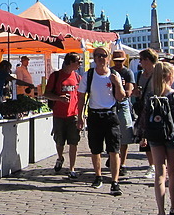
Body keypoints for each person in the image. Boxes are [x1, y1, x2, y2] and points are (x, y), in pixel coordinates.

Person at [136, 62, 174, 215]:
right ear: (170, 76)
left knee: (160, 174)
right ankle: (173, 207)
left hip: (155, 137)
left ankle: (160, 212)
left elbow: (144, 119)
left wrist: (142, 136)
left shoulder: (151, 96)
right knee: (173, 173)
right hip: (172, 137)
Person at [77, 46, 127, 195]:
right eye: (97, 55)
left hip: (110, 115)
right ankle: (98, 176)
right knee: (95, 149)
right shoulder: (89, 75)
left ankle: (114, 181)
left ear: (108, 57)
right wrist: (80, 117)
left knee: (114, 150)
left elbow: (121, 97)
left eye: (103, 55)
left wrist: (117, 83)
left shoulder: (114, 74)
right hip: (94, 115)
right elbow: (81, 97)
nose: (100, 58)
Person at [43, 53, 82, 179]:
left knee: (74, 142)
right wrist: (59, 98)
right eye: (78, 61)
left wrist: (82, 115)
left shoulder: (77, 77)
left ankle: (72, 168)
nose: (80, 64)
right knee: (59, 141)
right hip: (59, 114)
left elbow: (81, 96)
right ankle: (60, 158)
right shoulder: (56, 76)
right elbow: (46, 94)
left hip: (73, 114)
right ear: (70, 62)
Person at [132, 48, 158, 179]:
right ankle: (152, 165)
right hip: (143, 110)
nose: (140, 62)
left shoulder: (159, 73)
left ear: (147, 60)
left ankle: (159, 164)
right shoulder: (138, 75)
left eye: (141, 59)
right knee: (145, 138)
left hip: (157, 110)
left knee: (156, 138)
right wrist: (136, 93)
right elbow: (135, 92)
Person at [111, 50, 136, 177]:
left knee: (125, 133)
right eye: (116, 61)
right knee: (110, 134)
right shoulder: (110, 71)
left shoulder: (127, 72)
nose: (118, 64)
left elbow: (128, 92)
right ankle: (113, 156)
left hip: (123, 105)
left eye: (120, 61)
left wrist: (120, 85)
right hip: (110, 105)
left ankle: (123, 163)